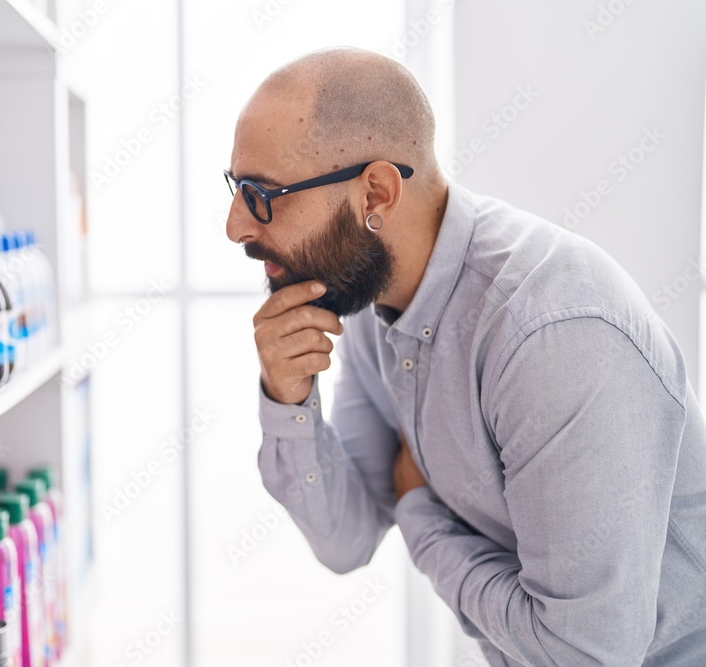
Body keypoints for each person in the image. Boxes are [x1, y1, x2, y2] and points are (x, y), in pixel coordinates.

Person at [225, 47, 706, 666]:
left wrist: (422, 516)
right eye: (237, 188)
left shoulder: (549, 333)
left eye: (264, 194)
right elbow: (345, 539)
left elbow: (584, 656)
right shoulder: (374, 299)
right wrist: (287, 399)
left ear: (376, 192)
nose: (236, 225)